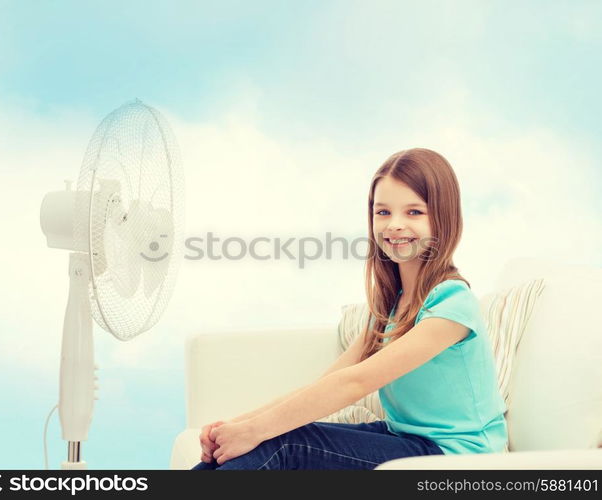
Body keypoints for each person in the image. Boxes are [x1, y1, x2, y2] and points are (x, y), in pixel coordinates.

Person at [191, 147, 508, 470]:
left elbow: (354, 383)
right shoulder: (391, 306)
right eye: (383, 212)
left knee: (284, 444)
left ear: (444, 217)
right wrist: (233, 428)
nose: (394, 225)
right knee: (265, 441)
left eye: (414, 212)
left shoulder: (452, 304)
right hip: (405, 439)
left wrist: (254, 430)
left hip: (456, 457)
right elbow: (329, 381)